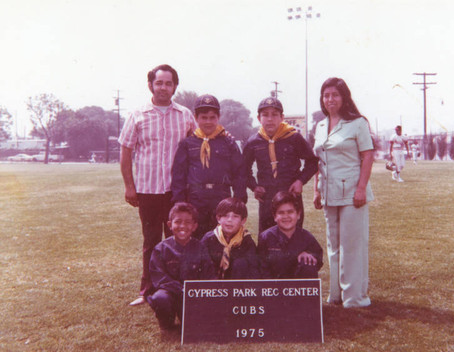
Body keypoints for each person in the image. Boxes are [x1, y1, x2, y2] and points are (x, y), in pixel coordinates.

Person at [118, 64, 197, 306]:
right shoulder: (137, 115)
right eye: (159, 82)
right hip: (148, 190)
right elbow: (126, 152)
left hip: (176, 191)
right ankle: (148, 290)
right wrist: (129, 186)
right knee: (151, 241)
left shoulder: (184, 115)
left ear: (175, 86)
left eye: (169, 83)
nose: (164, 87)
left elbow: (199, 143)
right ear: (150, 84)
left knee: (179, 240)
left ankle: (181, 287)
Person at [313, 77, 375, 308]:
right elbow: (318, 159)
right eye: (326, 95)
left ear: (344, 97)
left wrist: (361, 188)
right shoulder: (320, 126)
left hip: (352, 193)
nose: (330, 99)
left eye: (335, 95)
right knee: (333, 245)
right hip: (328, 192)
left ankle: (354, 298)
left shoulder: (358, 123)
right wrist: (317, 190)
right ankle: (336, 294)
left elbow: (367, 155)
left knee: (352, 245)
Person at [171, 94, 247, 239]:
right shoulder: (187, 144)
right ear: (196, 117)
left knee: (220, 238)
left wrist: (239, 199)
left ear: (218, 117)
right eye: (204, 117)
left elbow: (239, 173)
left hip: (221, 197)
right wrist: (179, 203)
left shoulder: (228, 143)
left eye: (212, 117)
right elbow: (178, 175)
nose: (208, 122)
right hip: (195, 198)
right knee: (195, 238)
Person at [243, 97, 318, 234]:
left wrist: (300, 181)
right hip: (266, 196)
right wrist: (254, 186)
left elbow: (312, 161)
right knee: (267, 237)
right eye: (265, 115)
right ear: (259, 118)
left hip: (290, 193)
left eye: (275, 115)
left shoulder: (294, 138)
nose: (270, 119)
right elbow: (243, 168)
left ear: (282, 117)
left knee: (293, 236)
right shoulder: (254, 142)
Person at [147, 203, 216, 334]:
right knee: (160, 298)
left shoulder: (200, 247)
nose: (183, 226)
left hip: (193, 296)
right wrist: (181, 289)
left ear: (194, 226)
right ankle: (166, 323)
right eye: (178, 222)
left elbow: (208, 273)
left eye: (188, 222)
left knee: (198, 323)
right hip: (172, 294)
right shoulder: (161, 249)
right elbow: (160, 278)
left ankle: (191, 317)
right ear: (169, 225)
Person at [257, 191, 323, 279]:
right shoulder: (266, 237)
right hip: (273, 287)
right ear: (275, 216)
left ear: (298, 214)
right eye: (281, 213)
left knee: (308, 264)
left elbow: (318, 257)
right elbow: (261, 268)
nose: (286, 216)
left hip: (298, 288)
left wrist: (309, 254)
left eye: (290, 212)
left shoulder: (307, 237)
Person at [201, 198, 259, 279]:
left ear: (243, 220)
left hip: (237, 287)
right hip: (212, 285)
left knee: (240, 263)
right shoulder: (209, 239)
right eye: (225, 215)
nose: (229, 220)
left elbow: (253, 271)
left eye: (235, 216)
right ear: (218, 218)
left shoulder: (247, 241)